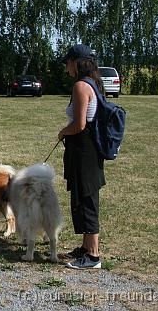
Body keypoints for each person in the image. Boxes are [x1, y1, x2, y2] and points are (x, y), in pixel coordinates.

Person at [57, 44, 106, 269]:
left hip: (83, 150)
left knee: (86, 200)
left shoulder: (80, 86)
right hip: (88, 149)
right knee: (84, 197)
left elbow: (79, 124)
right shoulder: (94, 83)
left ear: (77, 62)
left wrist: (62, 132)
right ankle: (85, 247)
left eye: (68, 62)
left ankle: (93, 255)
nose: (66, 66)